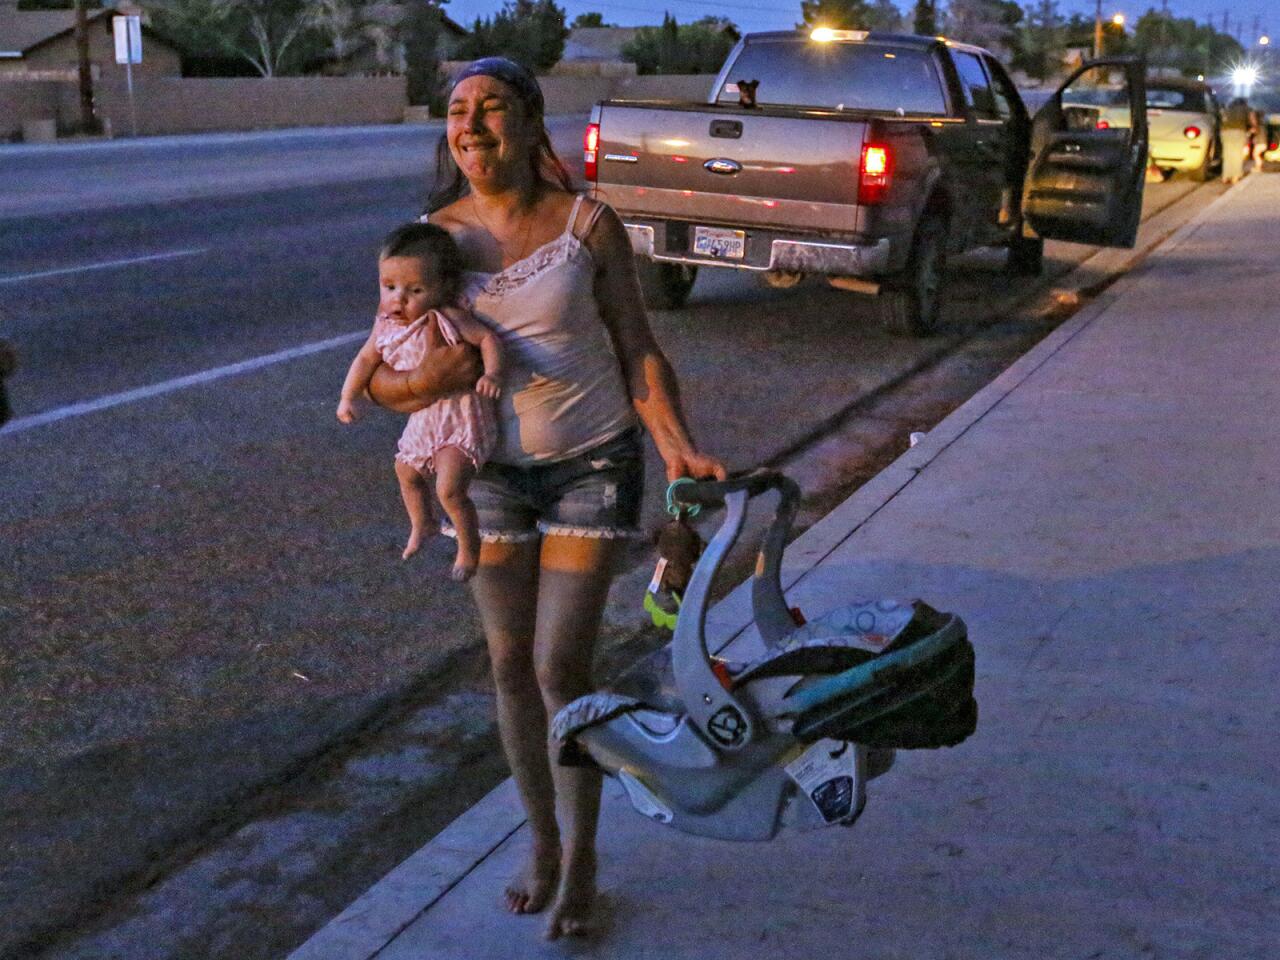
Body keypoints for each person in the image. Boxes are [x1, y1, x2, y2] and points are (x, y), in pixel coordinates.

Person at [366, 57, 725, 939]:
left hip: (592, 463)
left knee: (560, 668)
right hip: (486, 472)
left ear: (532, 126)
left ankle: (588, 856)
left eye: (492, 110)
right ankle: (543, 845)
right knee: (506, 665)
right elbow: (384, 370)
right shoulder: (431, 239)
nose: (473, 127)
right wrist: (422, 388)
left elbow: (638, 347)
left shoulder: (586, 225)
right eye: (458, 112)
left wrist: (677, 447)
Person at [338, 222, 503, 578]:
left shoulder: (447, 318)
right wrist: (348, 398)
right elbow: (366, 359)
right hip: (426, 420)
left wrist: (492, 374)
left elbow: (488, 339)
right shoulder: (385, 325)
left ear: (443, 289)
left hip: (460, 420)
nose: (399, 299)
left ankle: (468, 548)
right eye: (389, 287)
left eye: (415, 290)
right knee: (405, 471)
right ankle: (423, 522)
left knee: (449, 487)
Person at [1221, 96, 1251, 184]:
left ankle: (1225, 176)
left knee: (1227, 154)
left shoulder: (1228, 108)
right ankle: (1235, 176)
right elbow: (1250, 120)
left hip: (1225, 132)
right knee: (1237, 154)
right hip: (1239, 131)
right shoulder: (1246, 109)